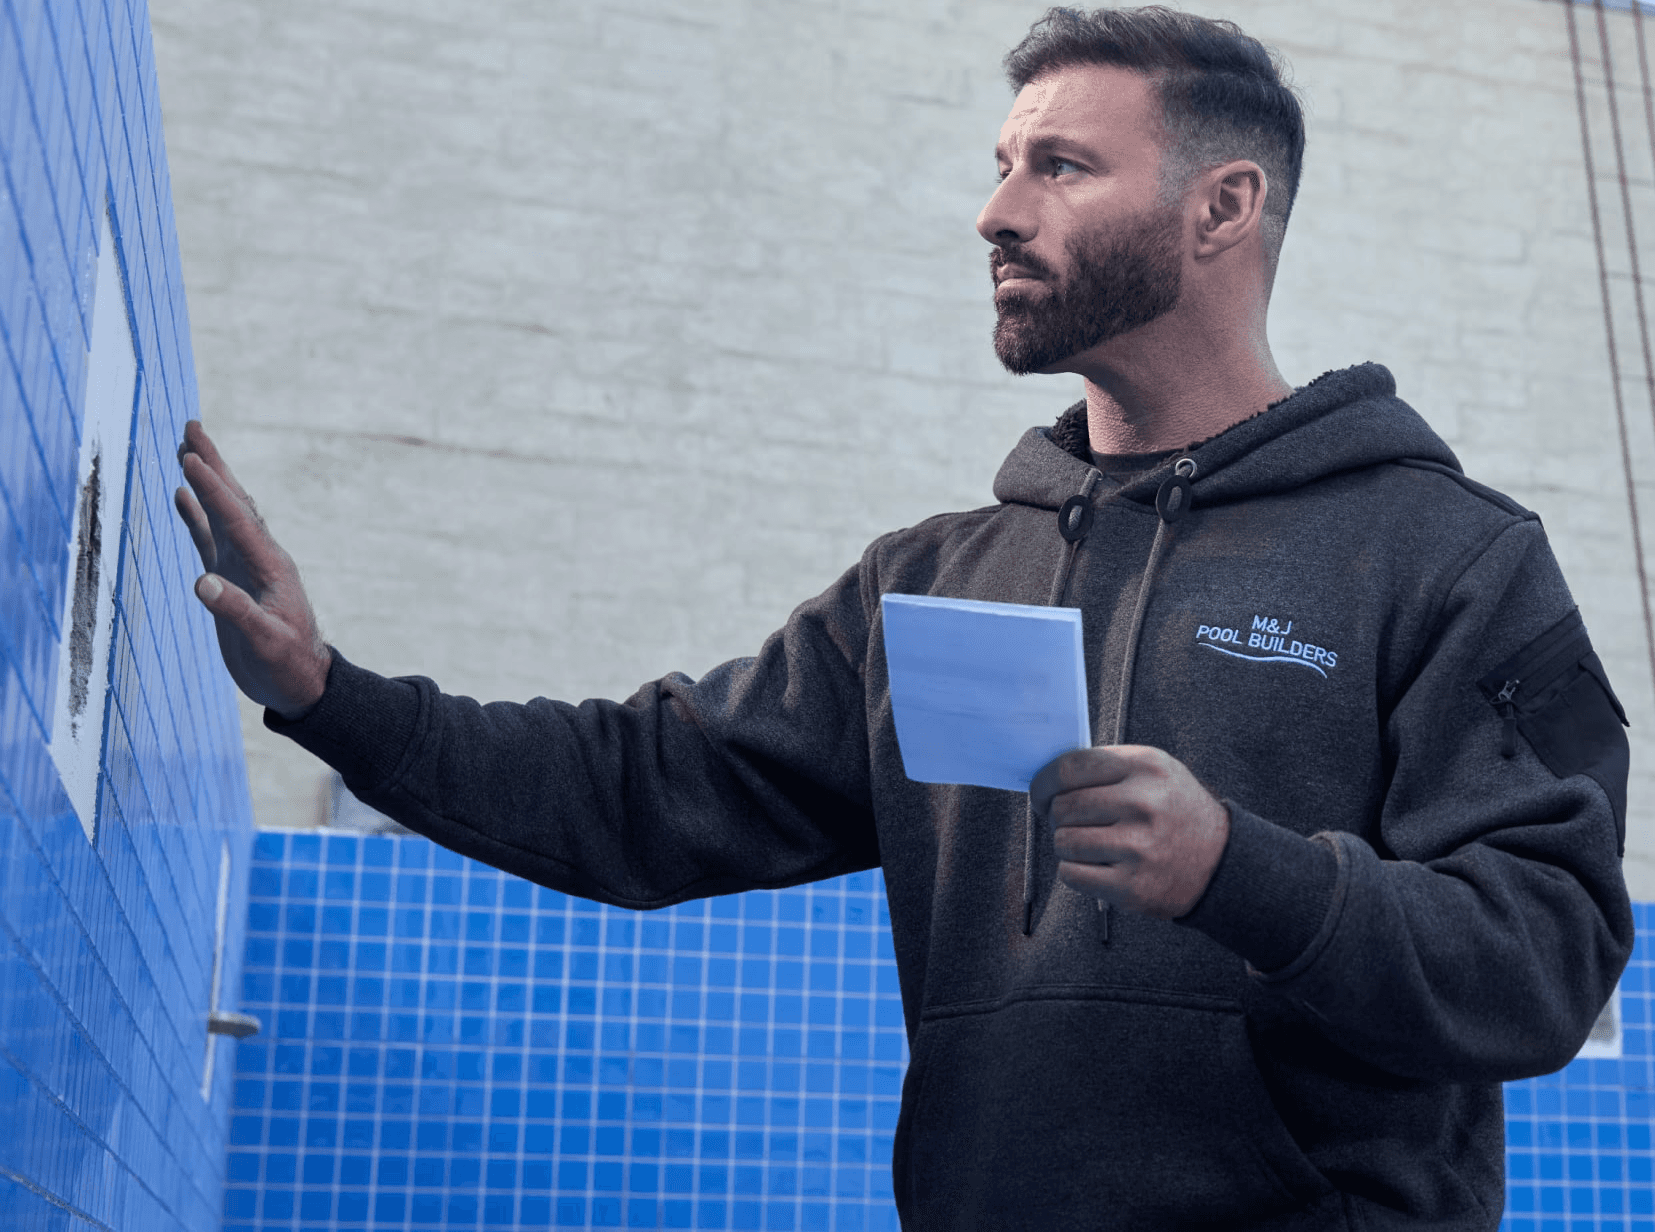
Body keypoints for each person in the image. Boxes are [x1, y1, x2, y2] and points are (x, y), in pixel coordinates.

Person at [175, 7, 1633, 1229]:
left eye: (1060, 166)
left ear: (1222, 208)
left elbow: (1546, 953)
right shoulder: (935, 579)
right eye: (1003, 167)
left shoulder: (1450, 559)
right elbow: (643, 791)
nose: (997, 211)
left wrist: (1237, 872)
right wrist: (327, 695)